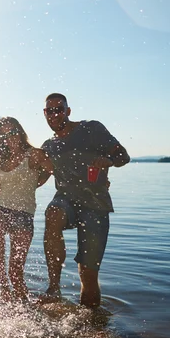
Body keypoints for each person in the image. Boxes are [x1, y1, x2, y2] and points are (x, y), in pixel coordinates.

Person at [38, 93, 130, 307]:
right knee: (52, 213)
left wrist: (108, 161)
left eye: (59, 109)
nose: (54, 114)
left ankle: (93, 326)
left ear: (68, 111)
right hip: (65, 201)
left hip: (95, 206)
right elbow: (39, 179)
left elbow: (123, 156)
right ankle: (54, 287)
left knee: (87, 277)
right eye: (49, 111)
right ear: (44, 114)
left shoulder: (92, 129)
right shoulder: (48, 146)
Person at [0, 117, 53, 302]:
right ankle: (2, 283)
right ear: (0, 139)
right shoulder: (0, 161)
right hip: (0, 210)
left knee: (16, 272)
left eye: (13, 132)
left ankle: (25, 307)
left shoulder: (34, 155)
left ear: (20, 132)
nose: (10, 137)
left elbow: (56, 171)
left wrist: (33, 184)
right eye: (4, 135)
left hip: (23, 215)